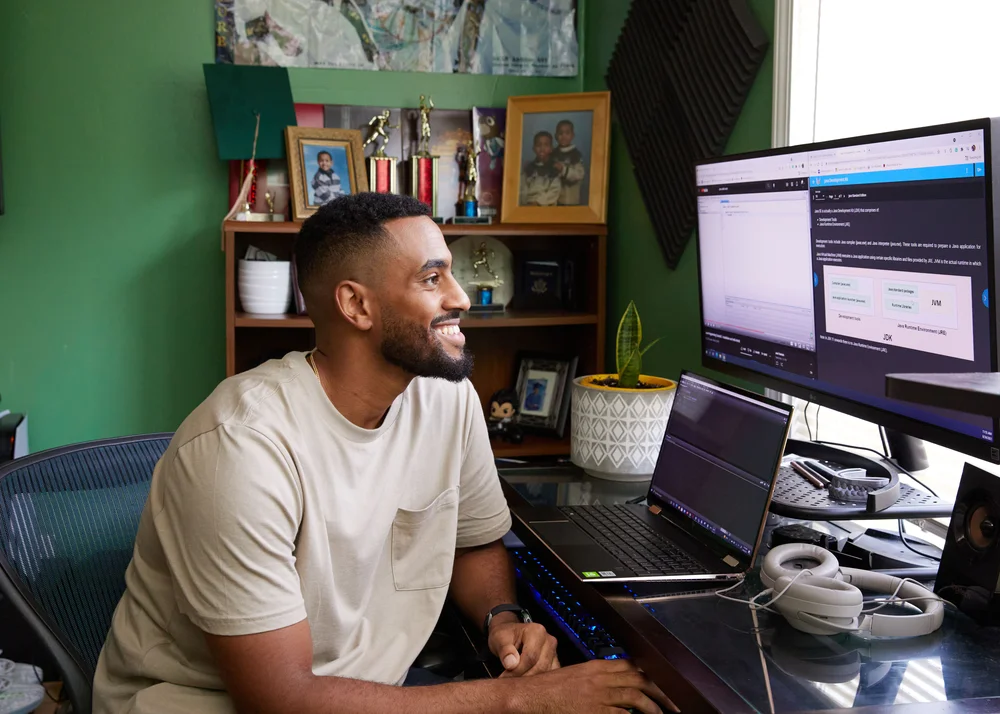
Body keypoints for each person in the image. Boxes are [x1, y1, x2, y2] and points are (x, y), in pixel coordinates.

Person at [92, 192, 670, 714]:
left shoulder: (448, 399)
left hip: (368, 689)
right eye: (431, 278)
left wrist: (501, 619)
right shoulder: (241, 450)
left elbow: (472, 541)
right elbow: (281, 698)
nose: (461, 297)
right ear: (356, 305)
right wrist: (519, 697)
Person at [519, 131, 561, 207]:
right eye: (538, 145)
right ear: (534, 148)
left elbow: (554, 191)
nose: (542, 148)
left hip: (546, 206)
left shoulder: (553, 169)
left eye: (546, 145)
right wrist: (526, 203)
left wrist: (539, 202)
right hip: (528, 205)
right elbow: (523, 188)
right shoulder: (529, 168)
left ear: (551, 148)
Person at [553, 120, 586, 206]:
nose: (564, 136)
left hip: (571, 200)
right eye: (560, 133)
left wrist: (563, 169)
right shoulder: (553, 154)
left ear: (572, 135)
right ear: (556, 136)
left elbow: (580, 175)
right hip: (555, 200)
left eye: (567, 133)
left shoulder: (576, 155)